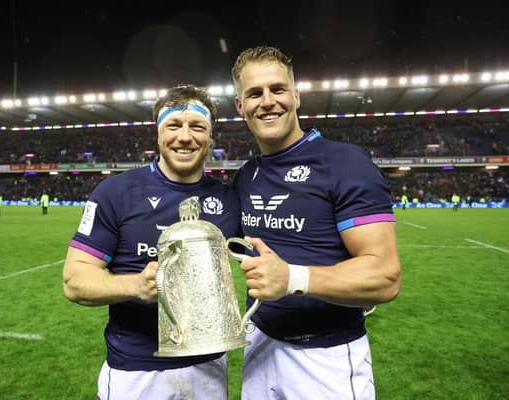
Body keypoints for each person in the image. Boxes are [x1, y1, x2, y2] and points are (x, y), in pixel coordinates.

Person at [230, 46, 402, 400]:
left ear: (296, 96)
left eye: (277, 89)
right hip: (259, 344)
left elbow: (385, 276)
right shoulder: (246, 176)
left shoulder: (345, 163)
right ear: (240, 106)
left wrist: (293, 278)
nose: (267, 101)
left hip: (326, 359)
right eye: (254, 93)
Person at [62, 85, 240, 400]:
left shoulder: (228, 199)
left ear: (211, 138)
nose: (185, 137)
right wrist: (136, 286)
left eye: (197, 127)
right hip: (136, 372)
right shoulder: (115, 193)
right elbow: (74, 281)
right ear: (157, 134)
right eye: (173, 125)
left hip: (209, 367)